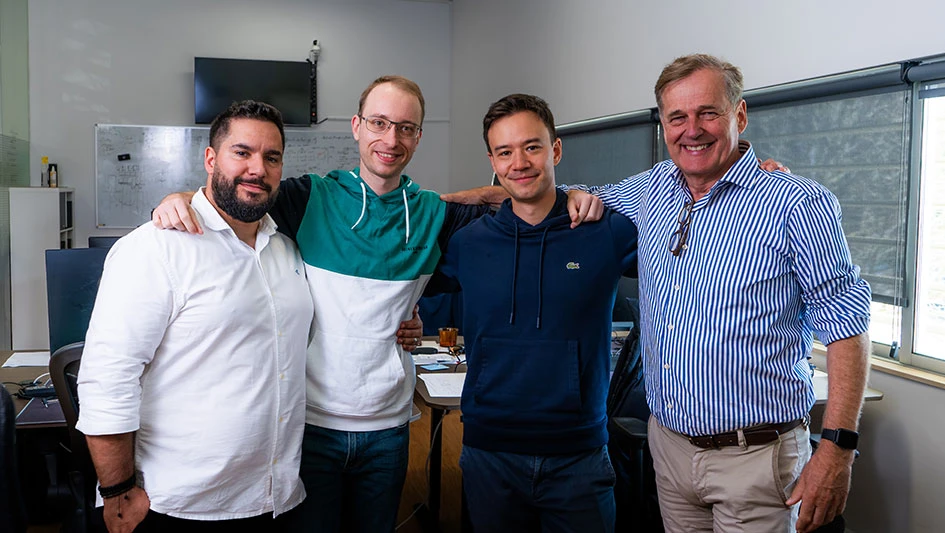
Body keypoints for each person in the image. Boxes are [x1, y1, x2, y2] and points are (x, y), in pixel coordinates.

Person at [151, 76, 528, 532]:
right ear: (356, 126)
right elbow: (237, 195)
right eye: (379, 123)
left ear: (418, 136)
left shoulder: (434, 215)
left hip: (388, 428)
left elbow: (521, 198)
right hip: (308, 425)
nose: (391, 139)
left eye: (406, 128)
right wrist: (180, 199)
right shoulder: (309, 197)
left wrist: (570, 196)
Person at [571, 54, 872, 532]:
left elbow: (847, 328)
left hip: (756, 459)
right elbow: (545, 193)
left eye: (708, 112)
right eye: (677, 117)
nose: (692, 129)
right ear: (663, 126)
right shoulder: (651, 190)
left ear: (740, 115)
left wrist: (836, 450)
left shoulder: (796, 202)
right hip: (669, 450)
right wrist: (435, 203)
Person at [76, 100, 315, 532]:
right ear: (210, 158)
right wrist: (117, 490)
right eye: (242, 152)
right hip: (180, 505)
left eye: (272, 156)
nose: (257, 168)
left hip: (276, 496)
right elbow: (108, 378)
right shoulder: (155, 248)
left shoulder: (286, 249)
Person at [427, 93, 638, 532]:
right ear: (492, 160)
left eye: (532, 147)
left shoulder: (606, 232)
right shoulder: (468, 243)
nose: (518, 162)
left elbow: (694, 223)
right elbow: (398, 281)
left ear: (556, 149)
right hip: (490, 455)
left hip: (579, 457)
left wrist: (761, 178)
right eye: (505, 152)